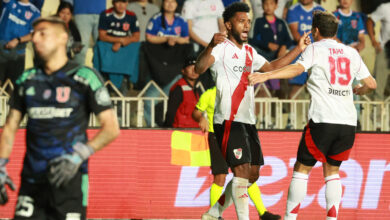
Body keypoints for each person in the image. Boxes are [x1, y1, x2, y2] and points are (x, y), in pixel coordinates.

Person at [249, 10, 377, 220]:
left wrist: (266, 75)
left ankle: (290, 218)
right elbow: (371, 84)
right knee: (332, 171)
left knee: (301, 169)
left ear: (315, 30)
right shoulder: (351, 53)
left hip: (322, 120)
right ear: (335, 31)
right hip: (347, 123)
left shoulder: (315, 49)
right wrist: (360, 90)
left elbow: (296, 70)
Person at [195, 2, 310, 219]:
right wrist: (209, 45)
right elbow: (199, 68)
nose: (247, 25)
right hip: (228, 121)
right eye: (241, 21)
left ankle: (213, 213)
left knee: (252, 175)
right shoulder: (220, 49)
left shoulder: (249, 51)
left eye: (248, 21)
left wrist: (298, 48)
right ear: (228, 26)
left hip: (248, 121)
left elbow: (273, 67)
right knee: (240, 173)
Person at [0, 16, 120, 219]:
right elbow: (10, 127)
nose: (35, 39)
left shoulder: (84, 77)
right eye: (34, 33)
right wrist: (1, 166)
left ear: (62, 38)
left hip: (70, 181)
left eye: (42, 33)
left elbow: (111, 128)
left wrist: (78, 156)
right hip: (32, 182)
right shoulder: (27, 79)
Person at [192, 86, 281, 220]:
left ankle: (262, 212)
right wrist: (201, 118)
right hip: (216, 136)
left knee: (246, 173)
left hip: (237, 135)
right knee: (220, 176)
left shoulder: (239, 91)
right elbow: (196, 112)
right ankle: (216, 215)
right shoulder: (209, 94)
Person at [286, 0, 324, 99]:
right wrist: (307, 47)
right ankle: (292, 114)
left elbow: (324, 33)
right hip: (300, 51)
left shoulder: (321, 10)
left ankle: (314, 114)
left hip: (317, 52)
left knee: (318, 89)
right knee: (296, 87)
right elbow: (295, 34)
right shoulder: (293, 10)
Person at [0, 0, 40, 85]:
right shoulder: (10, 2)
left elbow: (34, 34)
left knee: (11, 87)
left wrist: (18, 40)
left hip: (18, 54)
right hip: (1, 49)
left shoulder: (35, 12)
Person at [164, 56, 201, 127]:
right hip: (180, 131)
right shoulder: (178, 88)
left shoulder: (197, 90)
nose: (194, 70)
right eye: (190, 67)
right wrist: (167, 131)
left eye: (196, 68)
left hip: (194, 131)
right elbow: (170, 113)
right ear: (183, 71)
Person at [367, 2, 390, 101]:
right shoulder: (385, 8)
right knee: (378, 86)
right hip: (385, 49)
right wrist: (373, 40)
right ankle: (377, 115)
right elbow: (370, 21)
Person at [73, 0, 107, 65]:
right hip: (81, 11)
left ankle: (100, 73)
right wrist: (67, 5)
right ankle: (78, 72)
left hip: (101, 11)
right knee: (81, 47)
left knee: (101, 48)